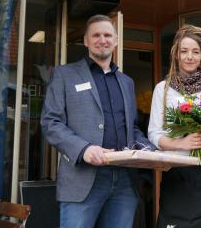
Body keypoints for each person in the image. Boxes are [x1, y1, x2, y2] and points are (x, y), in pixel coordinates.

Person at [41, 14, 154, 228]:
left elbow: (131, 129)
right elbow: (51, 122)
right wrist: (84, 149)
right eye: (96, 35)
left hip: (124, 180)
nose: (102, 39)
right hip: (83, 179)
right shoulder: (65, 75)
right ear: (85, 40)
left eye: (107, 35)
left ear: (116, 40)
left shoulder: (127, 82)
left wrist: (151, 152)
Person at [148, 25, 201, 228]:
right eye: (184, 51)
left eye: (195, 51)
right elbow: (154, 133)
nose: (189, 57)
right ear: (176, 54)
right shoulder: (163, 89)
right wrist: (182, 143)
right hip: (176, 170)